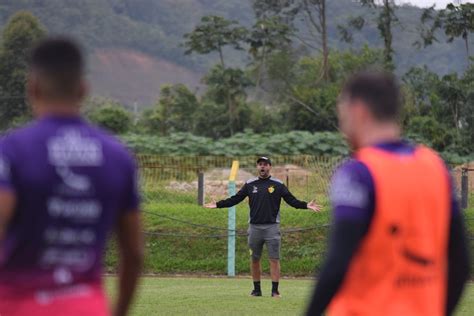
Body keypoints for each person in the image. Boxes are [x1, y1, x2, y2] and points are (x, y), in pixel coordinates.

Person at [306, 72, 470, 315]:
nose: (341, 122)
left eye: (341, 110)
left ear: (358, 110)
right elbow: (461, 263)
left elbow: (338, 263)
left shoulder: (359, 173)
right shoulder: (436, 168)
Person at [0, 38, 143, 316]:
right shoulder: (117, 156)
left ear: (33, 87)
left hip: (18, 305)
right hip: (87, 306)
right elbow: (134, 254)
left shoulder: (12, 150)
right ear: (82, 89)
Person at [205, 156, 321, 297]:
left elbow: (292, 201)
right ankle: (257, 289)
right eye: (260, 164)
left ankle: (275, 290)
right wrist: (218, 204)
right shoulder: (250, 184)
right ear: (257, 167)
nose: (262, 167)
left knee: (274, 259)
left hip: (272, 227)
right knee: (254, 259)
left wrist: (306, 205)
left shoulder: (278, 185)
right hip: (254, 228)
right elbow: (235, 199)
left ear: (270, 167)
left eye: (265, 164)